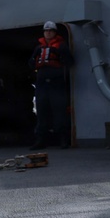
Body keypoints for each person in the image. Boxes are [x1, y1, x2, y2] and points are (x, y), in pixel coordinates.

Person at [29, 21, 74, 150]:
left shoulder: (61, 46)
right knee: (41, 112)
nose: (48, 32)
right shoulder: (38, 48)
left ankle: (63, 139)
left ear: (55, 32)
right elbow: (31, 63)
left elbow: (69, 61)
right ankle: (40, 140)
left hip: (57, 83)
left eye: (51, 30)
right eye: (46, 30)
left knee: (59, 111)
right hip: (42, 84)